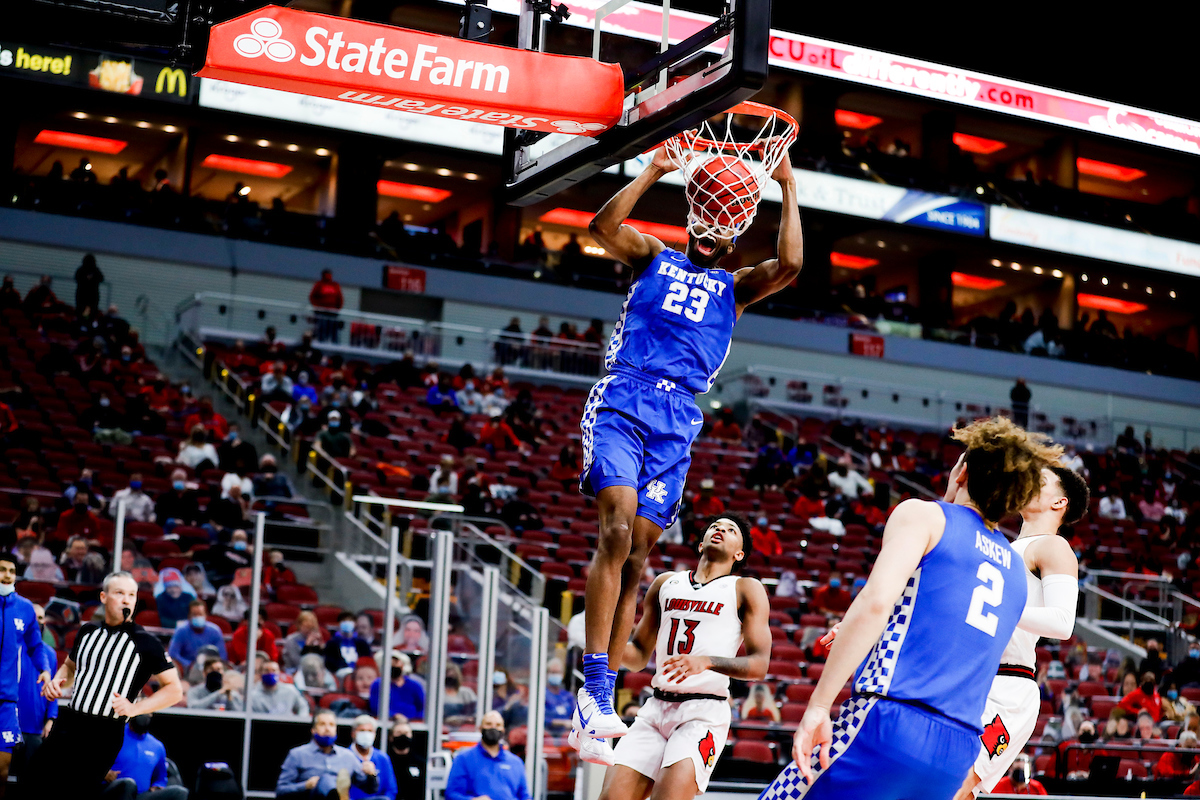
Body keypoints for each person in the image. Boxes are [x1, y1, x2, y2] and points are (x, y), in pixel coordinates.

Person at [574, 146, 802, 743]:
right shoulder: (654, 254)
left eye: (727, 216)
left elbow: (792, 265)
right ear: (696, 211)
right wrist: (653, 170)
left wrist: (787, 185)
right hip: (627, 394)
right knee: (616, 530)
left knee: (640, 559)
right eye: (708, 209)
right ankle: (593, 688)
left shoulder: (737, 286)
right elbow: (602, 228)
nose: (712, 226)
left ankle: (604, 703)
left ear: (735, 229)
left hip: (678, 418)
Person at [759, 417, 1057, 800]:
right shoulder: (1016, 569)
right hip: (957, 750)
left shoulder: (926, 515)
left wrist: (818, 706)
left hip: (892, 723)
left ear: (962, 471)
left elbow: (876, 602)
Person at [590, 514, 770, 798]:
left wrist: (707, 661)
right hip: (655, 707)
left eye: (730, 529)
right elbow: (637, 656)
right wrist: (601, 640)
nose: (720, 529)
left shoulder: (745, 588)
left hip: (704, 712)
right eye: (715, 526)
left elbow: (760, 665)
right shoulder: (665, 583)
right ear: (700, 544)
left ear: (739, 553)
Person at [954, 465, 1089, 799]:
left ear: (1059, 503)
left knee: (956, 783)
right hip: (972, 677)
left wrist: (1004, 611)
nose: (1027, 483)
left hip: (1007, 685)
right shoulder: (1003, 545)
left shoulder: (1052, 546)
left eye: (1039, 481)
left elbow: (1062, 623)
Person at [32, 571, 183, 798]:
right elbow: (71, 668)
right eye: (120, 593)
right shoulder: (88, 631)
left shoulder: (147, 643)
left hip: (103, 732)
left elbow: (174, 690)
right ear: (104, 597)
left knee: (73, 790)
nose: (126, 600)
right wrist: (57, 682)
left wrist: (135, 708)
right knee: (34, 780)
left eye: (131, 595)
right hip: (69, 721)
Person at [1, 553, 53, 796]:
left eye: (11, 570)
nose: (7, 575)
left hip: (7, 703)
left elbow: (35, 645)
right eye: (2, 569)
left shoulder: (25, 608)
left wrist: (44, 669)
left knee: (2, 769)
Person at [276, 710, 380, 799]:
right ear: (313, 730)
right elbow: (281, 791)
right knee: (326, 780)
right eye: (322, 724)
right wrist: (305, 785)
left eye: (331, 725)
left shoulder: (347, 756)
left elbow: (370, 789)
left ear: (336, 729)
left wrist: (372, 775)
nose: (327, 729)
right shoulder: (297, 755)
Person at [445, 710, 529, 800]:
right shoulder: (464, 759)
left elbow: (525, 796)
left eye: (498, 725)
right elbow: (452, 794)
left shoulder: (516, 762)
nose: (493, 728)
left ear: (503, 730)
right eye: (488, 724)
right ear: (480, 728)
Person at [102, 714, 188, 800]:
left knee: (180, 793)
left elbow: (161, 777)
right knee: (128, 784)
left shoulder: (157, 746)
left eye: (147, 712)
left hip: (141, 795)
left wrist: (157, 786)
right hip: (112, 790)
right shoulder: (114, 734)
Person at [16, 603, 57, 771]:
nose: (37, 621)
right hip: (10, 724)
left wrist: (51, 719)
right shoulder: (11, 647)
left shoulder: (50, 654)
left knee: (29, 780)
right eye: (33, 616)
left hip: (36, 728)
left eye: (40, 617)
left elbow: (52, 688)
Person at [168, 599, 228, 672]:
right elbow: (173, 654)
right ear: (189, 616)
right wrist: (189, 664)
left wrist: (210, 666)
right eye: (194, 614)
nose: (197, 617)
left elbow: (222, 655)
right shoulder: (181, 630)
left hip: (211, 668)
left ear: (205, 615)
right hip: (187, 669)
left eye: (200, 614)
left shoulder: (215, 631)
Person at [348, 715, 397, 800]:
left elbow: (391, 790)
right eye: (362, 731)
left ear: (375, 734)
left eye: (370, 731)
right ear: (353, 733)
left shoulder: (383, 758)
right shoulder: (344, 756)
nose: (366, 734)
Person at [369, 651, 425, 721]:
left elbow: (423, 708)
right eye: (391, 663)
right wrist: (394, 716)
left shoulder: (415, 685)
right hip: (387, 722)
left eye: (396, 662)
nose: (394, 666)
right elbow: (375, 707)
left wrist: (413, 719)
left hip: (414, 723)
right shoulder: (378, 684)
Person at [325, 611, 373, 677]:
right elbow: (330, 663)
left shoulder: (362, 644)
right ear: (339, 624)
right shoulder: (332, 644)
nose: (347, 623)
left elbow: (367, 661)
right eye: (344, 620)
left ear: (355, 624)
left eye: (350, 620)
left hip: (359, 674)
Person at [387, 717, 424, 799]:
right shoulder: (386, 761)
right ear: (391, 737)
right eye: (399, 733)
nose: (403, 736)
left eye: (406, 733)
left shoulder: (420, 762)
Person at [310, 270, 344, 343]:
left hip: (333, 313)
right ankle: (321, 344)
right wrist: (317, 307)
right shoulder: (319, 285)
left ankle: (335, 346)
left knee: (333, 331)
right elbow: (312, 297)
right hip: (322, 313)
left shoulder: (335, 285)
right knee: (322, 329)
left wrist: (338, 309)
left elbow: (340, 298)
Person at [544, 658, 576, 734]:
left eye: (558, 673)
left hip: (566, 736)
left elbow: (575, 715)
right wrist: (561, 723)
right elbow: (540, 719)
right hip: (547, 734)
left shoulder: (568, 696)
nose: (556, 675)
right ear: (547, 673)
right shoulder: (542, 695)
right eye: (553, 672)